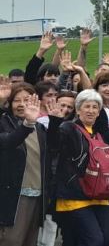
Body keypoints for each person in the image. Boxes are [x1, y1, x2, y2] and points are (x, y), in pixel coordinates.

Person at [50, 89, 109, 246]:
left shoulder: (99, 134)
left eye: (94, 107)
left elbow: (108, 157)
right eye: (86, 106)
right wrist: (54, 122)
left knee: (107, 239)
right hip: (75, 196)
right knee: (94, 240)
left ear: (99, 112)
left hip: (99, 196)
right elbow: (53, 146)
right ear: (78, 110)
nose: (91, 111)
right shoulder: (68, 128)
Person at [0, 84, 49, 246]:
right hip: (14, 194)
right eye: (16, 100)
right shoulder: (5, 122)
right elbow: (9, 141)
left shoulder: (40, 128)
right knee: (12, 240)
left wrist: (55, 121)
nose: (21, 104)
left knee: (30, 241)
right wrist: (27, 123)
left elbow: (53, 151)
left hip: (37, 193)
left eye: (27, 100)